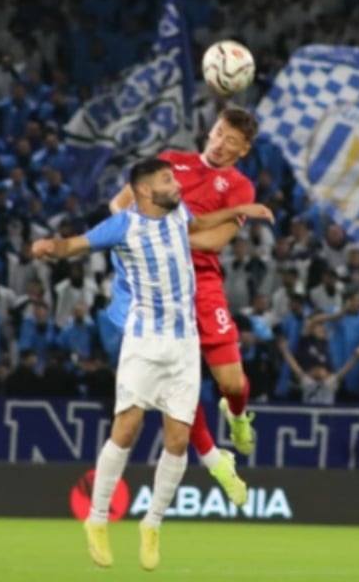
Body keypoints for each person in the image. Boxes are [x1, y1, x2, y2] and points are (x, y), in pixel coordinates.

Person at [33, 157, 272, 571]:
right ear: (145, 191)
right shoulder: (124, 225)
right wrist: (51, 249)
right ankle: (97, 518)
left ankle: (153, 524)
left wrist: (237, 210)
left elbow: (199, 225)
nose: (175, 183)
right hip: (144, 341)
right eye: (166, 179)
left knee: (177, 439)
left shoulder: (178, 212)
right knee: (127, 429)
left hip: (183, 343)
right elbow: (77, 244)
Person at [108, 107, 261, 503]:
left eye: (232, 141)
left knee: (231, 384)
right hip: (161, 290)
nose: (221, 144)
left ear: (243, 150)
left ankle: (238, 415)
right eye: (219, 133)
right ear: (209, 131)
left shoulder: (241, 188)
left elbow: (212, 243)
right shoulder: (171, 162)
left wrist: (160, 232)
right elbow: (118, 205)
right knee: (178, 388)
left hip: (204, 285)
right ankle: (215, 460)